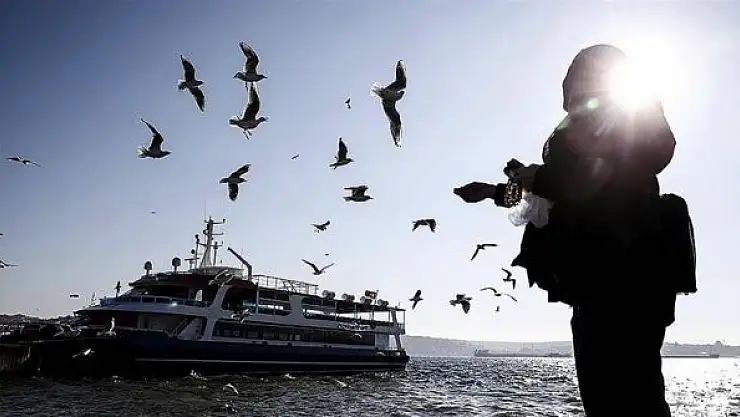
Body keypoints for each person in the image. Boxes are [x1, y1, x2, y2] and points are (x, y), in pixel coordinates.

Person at [455, 44, 683, 417]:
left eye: (577, 87)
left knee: (632, 398)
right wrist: (492, 192)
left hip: (623, 286)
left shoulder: (630, 127)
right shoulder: (592, 130)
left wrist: (535, 178)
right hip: (596, 286)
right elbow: (554, 193)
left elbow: (586, 183)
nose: (571, 101)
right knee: (615, 399)